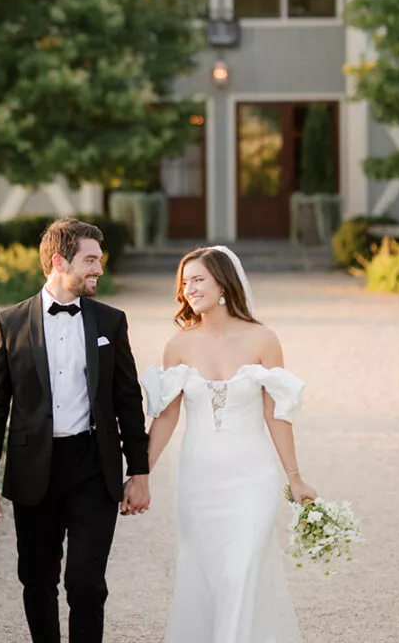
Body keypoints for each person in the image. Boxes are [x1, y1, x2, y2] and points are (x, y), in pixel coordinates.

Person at [0, 217, 150, 643]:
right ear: (58, 260)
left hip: (94, 466)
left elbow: (128, 399)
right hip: (35, 469)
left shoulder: (111, 322)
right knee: (37, 580)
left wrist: (140, 471)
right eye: (90, 260)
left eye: (100, 260)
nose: (99, 270)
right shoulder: (10, 323)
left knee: (86, 584)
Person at [140, 245, 317, 643]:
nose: (189, 289)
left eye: (198, 279)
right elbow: (166, 416)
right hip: (198, 479)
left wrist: (295, 478)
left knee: (242, 570)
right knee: (203, 574)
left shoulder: (263, 339)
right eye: (185, 282)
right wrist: (141, 474)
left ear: (224, 283)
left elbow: (277, 414)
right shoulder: (178, 345)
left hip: (251, 477)